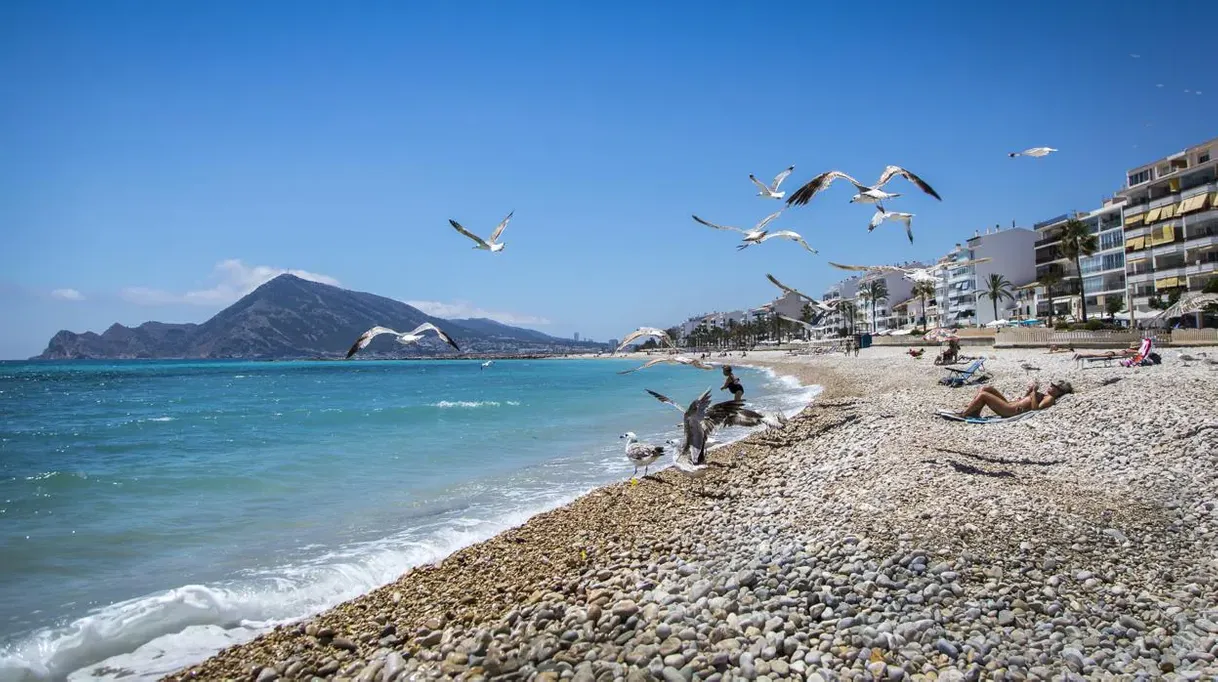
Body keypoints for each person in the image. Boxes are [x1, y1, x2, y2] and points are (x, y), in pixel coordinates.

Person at [954, 379, 1073, 418]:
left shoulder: (1050, 399)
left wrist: (1034, 394)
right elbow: (1029, 399)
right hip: (1010, 404)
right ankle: (975, 412)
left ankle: (964, 414)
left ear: (1059, 391)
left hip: (1010, 410)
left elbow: (1036, 410)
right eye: (1051, 385)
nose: (1050, 386)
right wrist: (1030, 391)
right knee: (987, 388)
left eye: (1054, 386)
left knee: (984, 395)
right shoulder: (1047, 396)